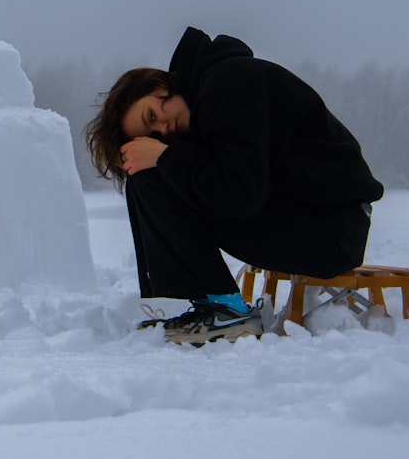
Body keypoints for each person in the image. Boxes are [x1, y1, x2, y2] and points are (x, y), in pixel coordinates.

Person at [85, 26, 384, 345]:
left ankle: (223, 310)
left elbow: (238, 192)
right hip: (315, 219)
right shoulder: (212, 93)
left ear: (160, 86)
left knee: (155, 174)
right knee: (153, 171)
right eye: (154, 134)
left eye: (152, 115)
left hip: (331, 230)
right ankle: (211, 305)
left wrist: (165, 158)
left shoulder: (229, 83)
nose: (164, 128)